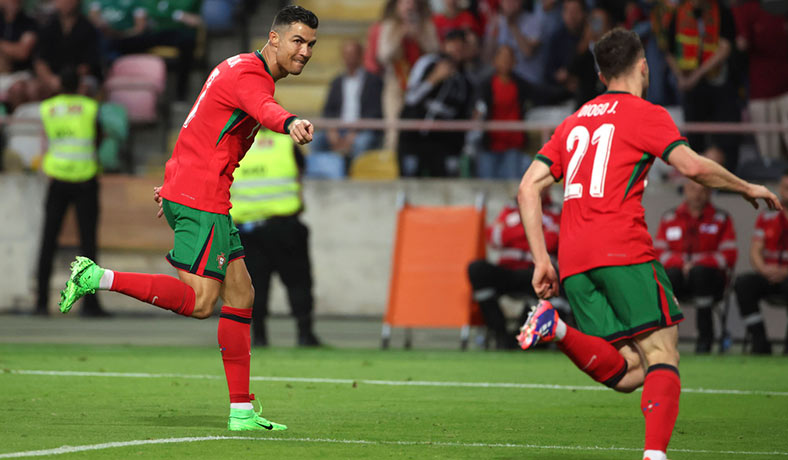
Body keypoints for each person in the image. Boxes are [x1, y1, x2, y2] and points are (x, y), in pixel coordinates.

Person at [516, 28, 779, 460]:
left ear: (601, 75)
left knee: (629, 373)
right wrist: (745, 186)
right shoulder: (644, 113)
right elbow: (691, 166)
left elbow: (527, 188)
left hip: (575, 260)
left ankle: (556, 328)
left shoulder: (573, 121)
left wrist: (542, 261)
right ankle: (654, 456)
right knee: (663, 354)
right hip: (621, 248)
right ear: (643, 66)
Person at [56, 5, 318, 432]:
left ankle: (241, 411)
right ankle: (96, 277)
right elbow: (264, 107)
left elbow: (194, 124)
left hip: (194, 190)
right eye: (297, 41)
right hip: (202, 197)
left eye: (310, 44)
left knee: (242, 296)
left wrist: (172, 182)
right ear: (273, 38)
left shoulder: (234, 67)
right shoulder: (251, 77)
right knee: (200, 302)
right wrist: (288, 122)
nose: (305, 51)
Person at [230, 128, 320, 348]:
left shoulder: (234, 145)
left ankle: (259, 338)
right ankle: (305, 335)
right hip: (285, 226)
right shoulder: (285, 143)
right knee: (299, 283)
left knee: (254, 286)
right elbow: (300, 173)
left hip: (248, 230)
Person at [34, 68, 107, 317]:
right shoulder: (89, 107)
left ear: (59, 84)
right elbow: (99, 137)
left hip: (57, 179)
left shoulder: (48, 108)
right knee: (88, 244)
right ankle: (90, 305)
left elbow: (46, 139)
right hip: (85, 179)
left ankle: (41, 303)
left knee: (47, 241)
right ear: (79, 85)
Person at [467, 192, 560, 349]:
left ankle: (525, 338)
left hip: (535, 271)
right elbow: (493, 237)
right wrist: (532, 231)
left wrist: (511, 233)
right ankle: (499, 333)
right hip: (508, 269)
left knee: (551, 279)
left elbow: (550, 242)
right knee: (477, 270)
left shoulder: (555, 211)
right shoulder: (509, 210)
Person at [654, 179, 737, 353]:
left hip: (710, 282)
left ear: (709, 192)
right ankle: (665, 342)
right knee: (669, 276)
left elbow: (728, 255)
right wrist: (683, 264)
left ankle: (705, 339)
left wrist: (695, 264)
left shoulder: (721, 219)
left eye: (702, 190)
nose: (697, 194)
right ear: (684, 190)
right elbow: (659, 253)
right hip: (679, 280)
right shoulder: (670, 217)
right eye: (693, 189)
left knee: (700, 273)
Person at [664, 0, 740, 171]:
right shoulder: (679, 14)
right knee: (694, 137)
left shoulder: (721, 11)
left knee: (726, 136)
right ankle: (695, 179)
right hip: (690, 87)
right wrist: (680, 78)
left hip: (719, 83)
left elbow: (725, 47)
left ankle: (728, 178)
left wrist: (696, 75)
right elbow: (669, 50)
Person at [397, 28, 473, 177]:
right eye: (453, 43)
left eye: (461, 45)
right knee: (409, 178)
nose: (457, 48)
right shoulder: (427, 63)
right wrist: (434, 79)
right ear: (444, 45)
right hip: (413, 136)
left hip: (441, 141)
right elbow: (410, 97)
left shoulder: (465, 80)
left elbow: (462, 115)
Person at [734, 170, 788, 355]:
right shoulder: (768, 216)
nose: (786, 192)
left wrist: (785, 272)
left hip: (787, 276)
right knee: (744, 284)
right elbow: (755, 250)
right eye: (784, 187)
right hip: (769, 274)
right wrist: (764, 269)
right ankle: (760, 340)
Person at [310, 39, 383, 173]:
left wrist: (354, 133)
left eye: (352, 54)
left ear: (360, 56)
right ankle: (321, 176)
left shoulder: (373, 81)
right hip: (338, 128)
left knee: (362, 143)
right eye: (346, 54)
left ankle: (354, 176)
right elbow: (328, 111)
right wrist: (332, 131)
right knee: (315, 141)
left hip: (363, 130)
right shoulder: (337, 82)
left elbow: (374, 112)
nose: (349, 58)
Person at [732, 0, 788, 164]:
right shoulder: (746, 10)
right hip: (760, 89)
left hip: (785, 88)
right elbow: (740, 45)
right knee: (769, 154)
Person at [474, 44, 534, 179]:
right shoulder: (485, 85)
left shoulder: (521, 85)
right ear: (494, 61)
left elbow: (543, 94)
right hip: (490, 146)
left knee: (512, 187)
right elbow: (475, 108)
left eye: (509, 58)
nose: (505, 61)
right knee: (487, 187)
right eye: (502, 57)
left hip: (513, 146)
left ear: (514, 62)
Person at [34, 0, 102, 98]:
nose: (66, 3)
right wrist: (51, 79)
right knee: (35, 89)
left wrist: (67, 80)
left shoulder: (88, 27)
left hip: (79, 78)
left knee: (84, 89)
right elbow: (40, 60)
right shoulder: (48, 27)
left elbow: (87, 65)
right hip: (53, 77)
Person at [0, 0, 37, 111]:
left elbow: (22, 52)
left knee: (18, 88)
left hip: (20, 74)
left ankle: (15, 125)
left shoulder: (29, 23)